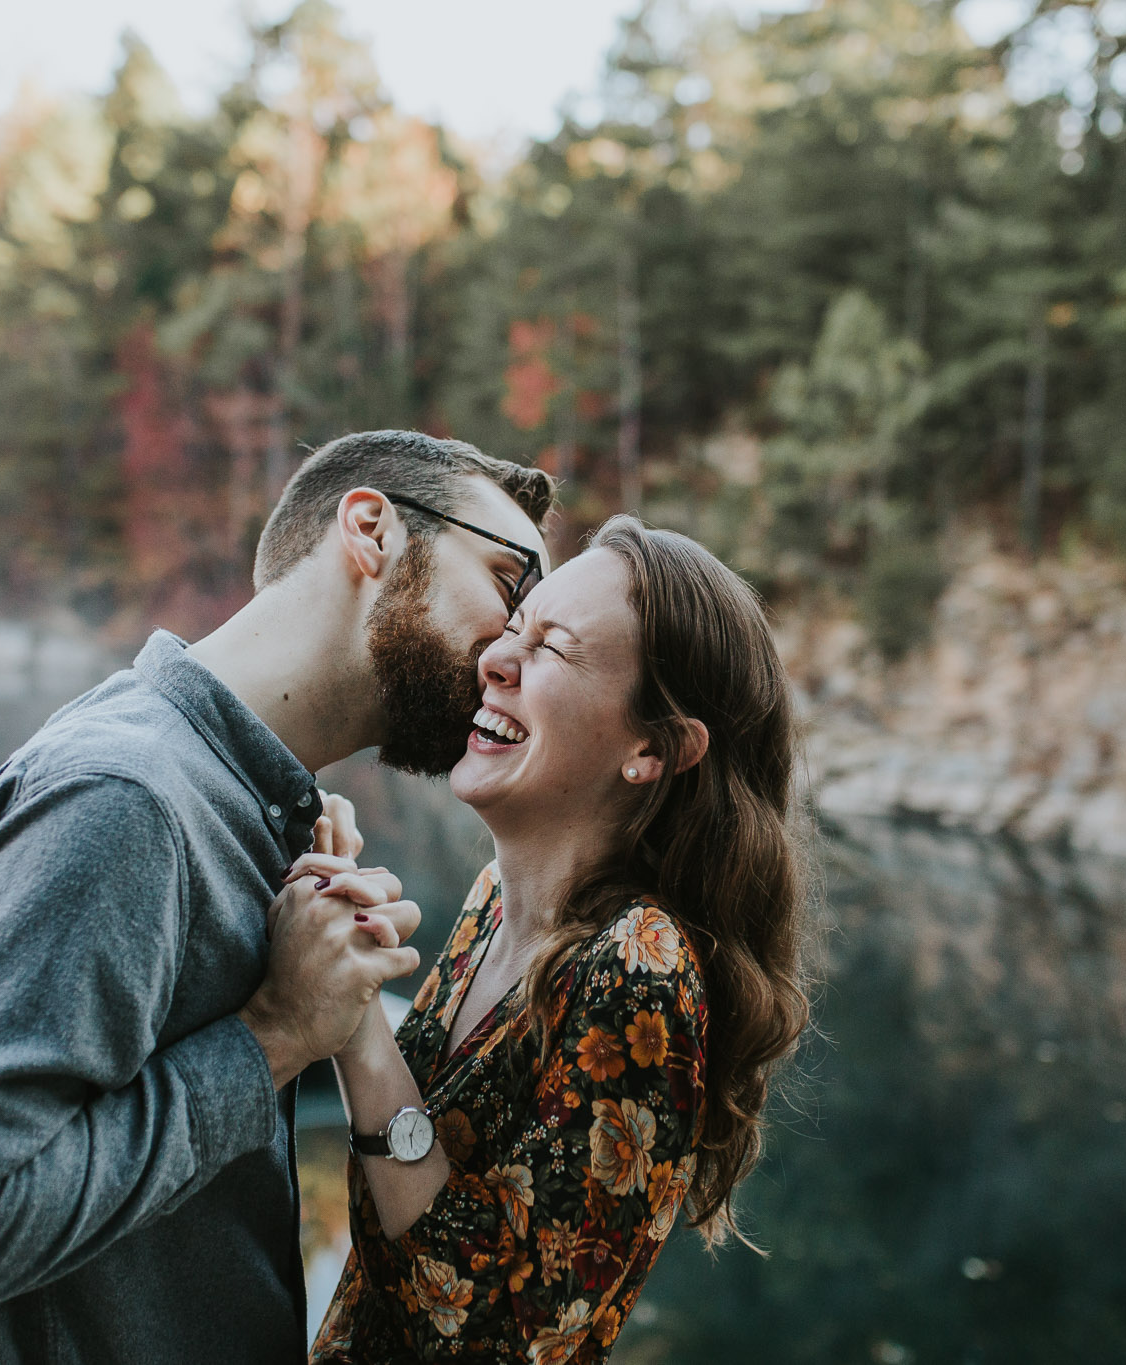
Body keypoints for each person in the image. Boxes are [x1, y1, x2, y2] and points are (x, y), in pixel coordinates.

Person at [0, 430, 553, 1364]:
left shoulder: (231, 800)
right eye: (511, 585)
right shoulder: (125, 797)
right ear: (372, 530)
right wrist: (275, 1034)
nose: (517, 651)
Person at [306, 516, 812, 1363]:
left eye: (551, 647)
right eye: (514, 626)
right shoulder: (493, 901)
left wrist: (358, 1026)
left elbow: (491, 1341)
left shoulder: (641, 970)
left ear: (653, 747)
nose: (495, 660)